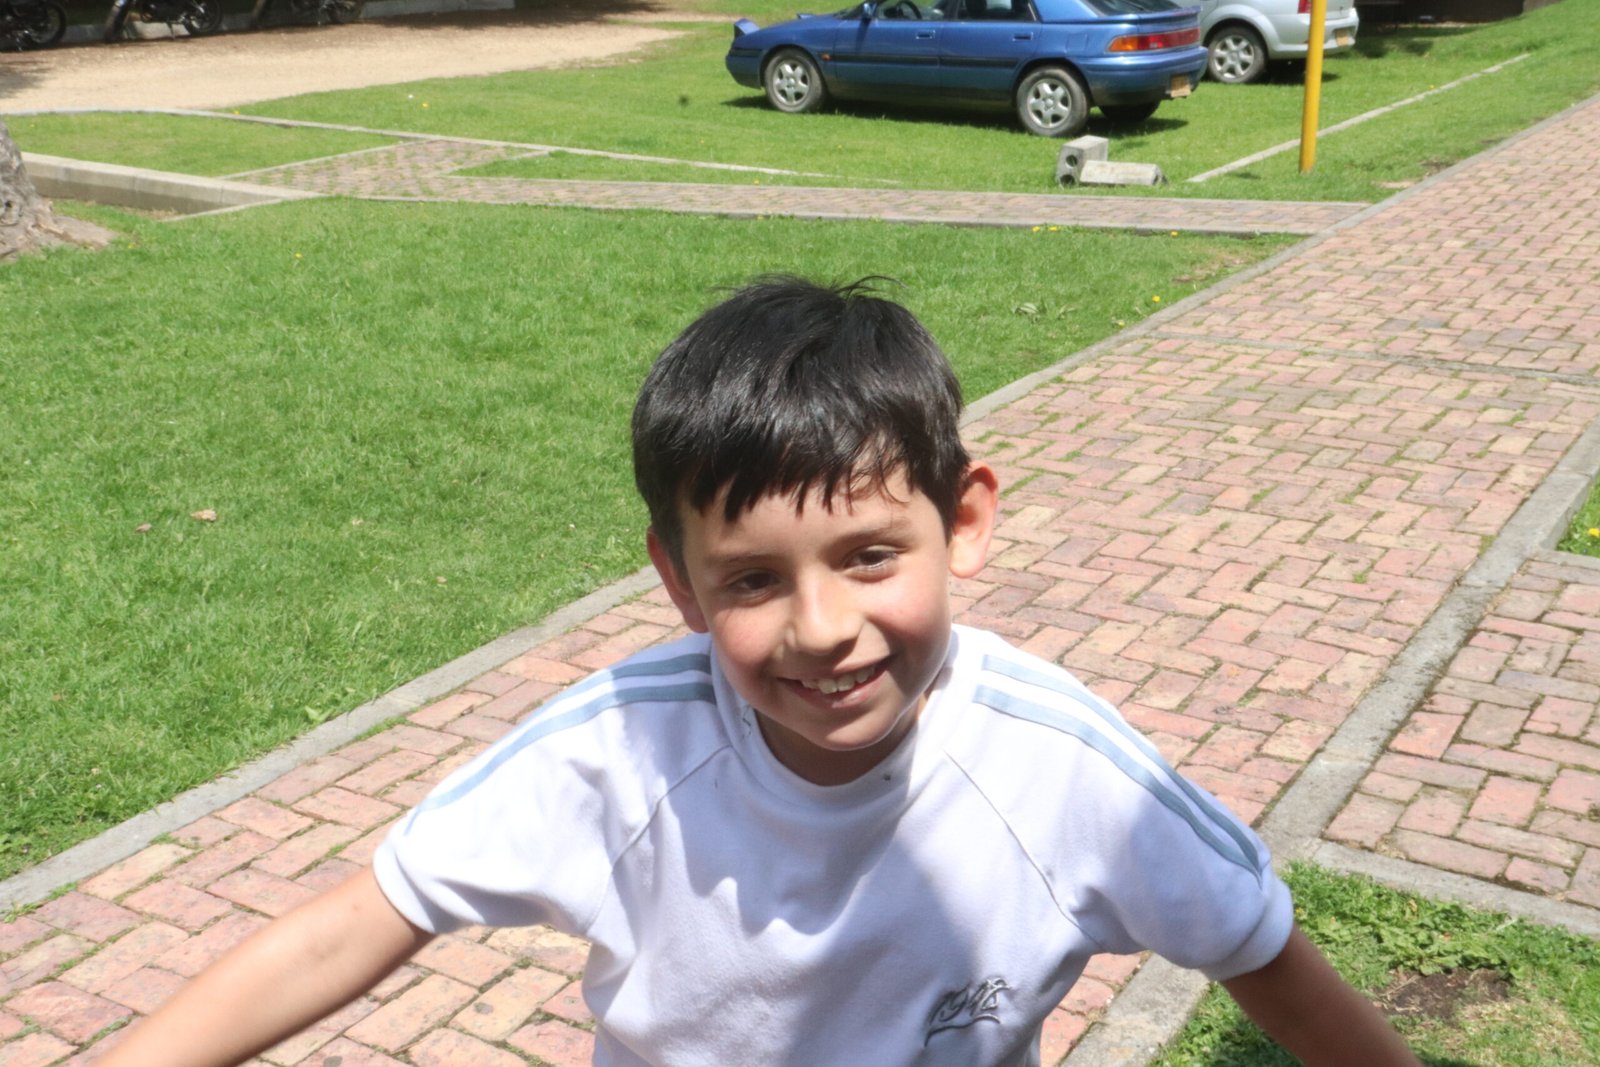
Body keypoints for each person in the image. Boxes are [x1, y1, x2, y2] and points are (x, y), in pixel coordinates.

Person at [99, 277, 1419, 1067]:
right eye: (750, 580)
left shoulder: (1064, 770)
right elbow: (362, 916)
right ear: (676, 582)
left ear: (964, 523)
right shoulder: (615, 752)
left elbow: (1266, 953)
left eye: (868, 555)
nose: (820, 628)